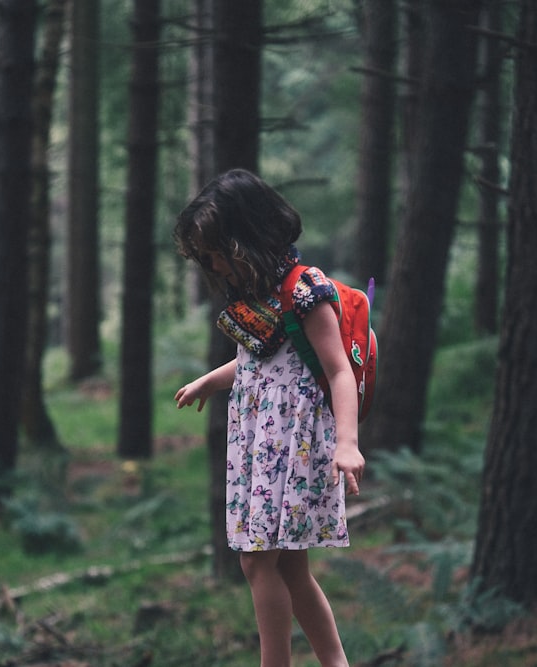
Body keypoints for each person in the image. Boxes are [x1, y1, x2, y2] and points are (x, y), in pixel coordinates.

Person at [174, 168, 365, 667]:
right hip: (260, 445)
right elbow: (253, 364)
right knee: (291, 569)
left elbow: (339, 372)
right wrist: (210, 382)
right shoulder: (254, 297)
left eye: (215, 252)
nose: (212, 264)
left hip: (295, 445)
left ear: (246, 239)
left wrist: (348, 442)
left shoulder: (305, 292)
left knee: (257, 563)